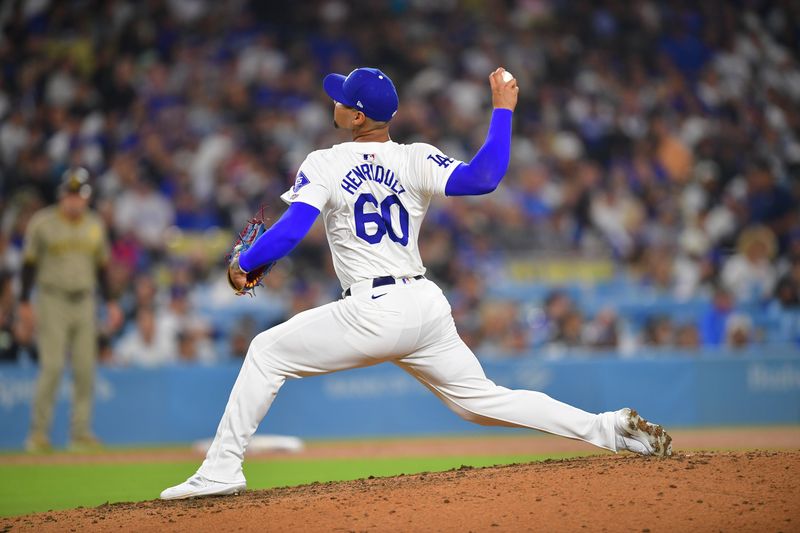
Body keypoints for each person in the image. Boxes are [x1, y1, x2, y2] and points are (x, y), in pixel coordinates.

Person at [161, 67, 672, 500]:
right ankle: (606, 427)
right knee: (482, 400)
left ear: (357, 116)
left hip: (372, 308)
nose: (334, 103)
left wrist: (245, 263)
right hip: (425, 305)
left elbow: (294, 229)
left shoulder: (326, 161)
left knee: (266, 352)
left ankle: (222, 469)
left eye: (341, 100)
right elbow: (485, 177)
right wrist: (502, 109)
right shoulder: (416, 157)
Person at [18, 168, 123, 451]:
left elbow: (102, 268)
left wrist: (111, 302)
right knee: (52, 367)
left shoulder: (95, 224)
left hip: (85, 300)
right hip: (53, 299)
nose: (77, 201)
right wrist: (25, 302)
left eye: (81, 196)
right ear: (63, 194)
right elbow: (28, 265)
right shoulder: (43, 223)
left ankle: (81, 433)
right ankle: (38, 434)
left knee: (85, 369)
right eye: (73, 194)